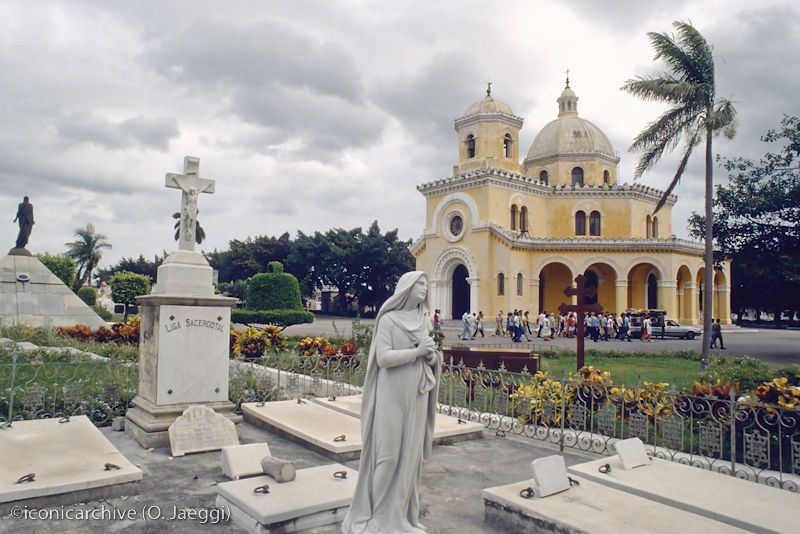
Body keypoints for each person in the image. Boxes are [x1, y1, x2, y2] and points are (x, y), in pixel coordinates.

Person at [342, 272, 442, 534]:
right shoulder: (388, 320)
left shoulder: (424, 321)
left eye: (426, 284)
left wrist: (432, 358)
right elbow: (384, 358)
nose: (424, 288)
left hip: (416, 396)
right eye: (420, 284)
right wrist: (417, 353)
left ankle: (399, 519)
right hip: (391, 396)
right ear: (406, 289)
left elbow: (430, 358)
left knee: (410, 460)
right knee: (387, 457)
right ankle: (374, 516)